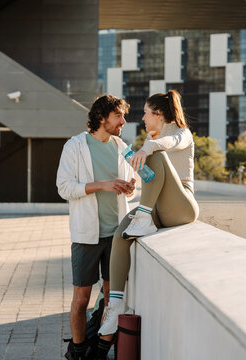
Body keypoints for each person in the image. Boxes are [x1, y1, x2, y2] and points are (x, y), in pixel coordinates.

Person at [97, 90, 199, 344]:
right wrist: (135, 178)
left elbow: (169, 145)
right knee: (121, 235)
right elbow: (153, 177)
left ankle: (144, 218)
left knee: (156, 153)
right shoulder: (153, 138)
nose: (142, 118)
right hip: (159, 207)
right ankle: (115, 306)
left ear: (159, 114)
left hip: (182, 206)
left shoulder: (181, 133)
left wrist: (150, 147)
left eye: (145, 113)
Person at [57, 94, 136, 360]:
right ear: (102, 118)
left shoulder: (121, 146)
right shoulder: (75, 146)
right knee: (81, 301)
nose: (123, 121)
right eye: (118, 117)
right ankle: (78, 352)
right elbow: (64, 187)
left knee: (111, 302)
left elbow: (130, 188)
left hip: (116, 236)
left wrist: (130, 187)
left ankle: (99, 353)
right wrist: (103, 184)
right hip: (86, 236)